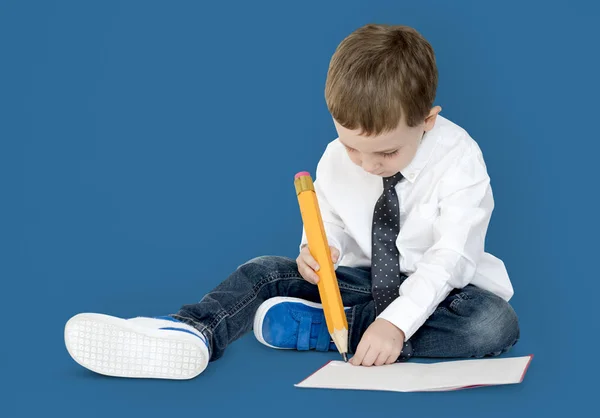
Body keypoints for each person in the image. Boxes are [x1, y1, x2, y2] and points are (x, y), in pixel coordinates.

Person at [64, 23, 520, 380]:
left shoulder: (460, 157)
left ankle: (333, 329)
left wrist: (396, 325)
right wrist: (318, 251)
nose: (366, 164)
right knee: (264, 270)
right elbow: (330, 218)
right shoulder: (336, 158)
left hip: (443, 294)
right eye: (352, 147)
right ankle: (193, 332)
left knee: (492, 324)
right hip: (360, 283)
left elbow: (450, 257)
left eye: (386, 153)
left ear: (427, 120)